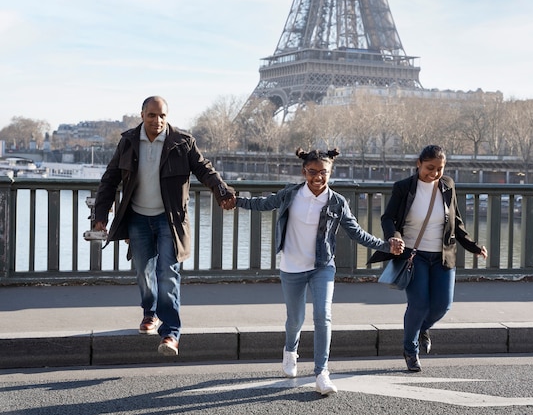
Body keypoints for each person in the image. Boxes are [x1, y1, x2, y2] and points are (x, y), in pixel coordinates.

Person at [235, 148, 405, 395]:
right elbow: (262, 203)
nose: (318, 177)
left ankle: (321, 372)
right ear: (304, 172)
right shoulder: (290, 195)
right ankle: (291, 351)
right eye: (312, 172)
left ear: (330, 173)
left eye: (323, 172)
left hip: (322, 266)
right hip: (291, 267)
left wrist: (385, 245)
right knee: (295, 320)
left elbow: (356, 232)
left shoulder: (337, 202)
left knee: (323, 316)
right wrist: (234, 199)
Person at [92, 96, 236, 356]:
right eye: (151, 115)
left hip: (170, 219)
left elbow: (204, 169)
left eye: (162, 116)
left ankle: (171, 333)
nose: (157, 121)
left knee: (168, 273)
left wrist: (221, 190)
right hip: (137, 217)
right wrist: (101, 213)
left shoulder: (182, 142)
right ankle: (150, 314)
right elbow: (110, 178)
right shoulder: (128, 141)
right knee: (143, 272)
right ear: (142, 115)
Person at [369, 144, 487, 372]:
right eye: (429, 168)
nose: (434, 173)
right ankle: (410, 350)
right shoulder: (403, 187)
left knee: (443, 305)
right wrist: (394, 237)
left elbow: (457, 222)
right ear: (418, 164)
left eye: (439, 169)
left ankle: (422, 329)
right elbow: (388, 218)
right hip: (414, 255)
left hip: (443, 255)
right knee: (419, 304)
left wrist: (473, 246)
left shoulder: (448, 186)